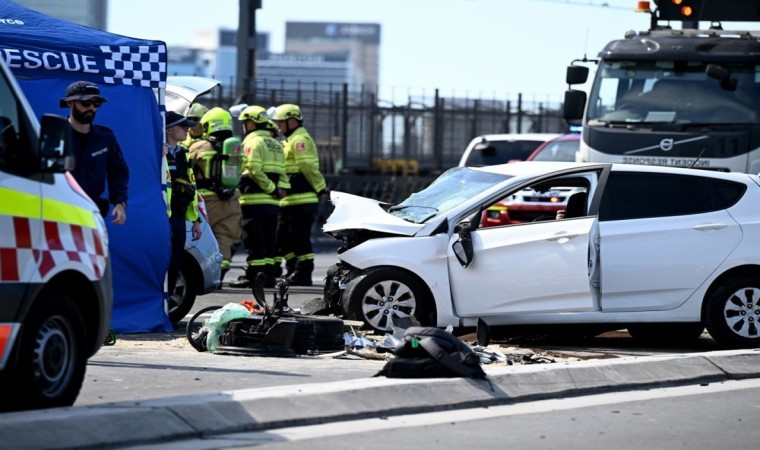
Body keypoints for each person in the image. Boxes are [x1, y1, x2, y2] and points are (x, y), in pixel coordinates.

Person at [229, 106, 289, 288]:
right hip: (272, 203)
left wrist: (271, 188)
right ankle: (269, 278)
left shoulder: (252, 143)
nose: (244, 127)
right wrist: (280, 189)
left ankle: (255, 277)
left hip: (253, 200)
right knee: (270, 241)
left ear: (252, 122)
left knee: (254, 241)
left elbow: (254, 169)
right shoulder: (276, 144)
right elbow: (284, 173)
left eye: (245, 123)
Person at [271, 103, 329, 286]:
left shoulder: (299, 140)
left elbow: (307, 167)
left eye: (281, 123)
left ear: (293, 121)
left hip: (302, 199)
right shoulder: (290, 139)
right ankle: (292, 269)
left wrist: (320, 187)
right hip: (289, 200)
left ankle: (303, 273)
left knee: (299, 238)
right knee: (282, 238)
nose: (278, 127)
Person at [187, 107, 242, 285]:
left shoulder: (198, 146)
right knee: (225, 237)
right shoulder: (235, 147)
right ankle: (221, 274)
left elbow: (187, 169)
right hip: (232, 199)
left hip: (208, 199)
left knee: (204, 236)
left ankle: (206, 275)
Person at [60, 80, 128, 224]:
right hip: (58, 211)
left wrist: (120, 203)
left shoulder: (105, 137)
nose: (91, 108)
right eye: (86, 103)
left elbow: (118, 172)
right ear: (70, 103)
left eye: (96, 104)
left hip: (91, 212)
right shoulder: (54, 134)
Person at [164, 111, 203, 297]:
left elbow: (192, 188)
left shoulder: (183, 154)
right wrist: (159, 157)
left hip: (178, 218)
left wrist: (196, 220)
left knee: (174, 264)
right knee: (160, 264)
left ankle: (166, 308)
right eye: (183, 127)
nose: (188, 130)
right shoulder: (157, 152)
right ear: (170, 129)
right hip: (161, 218)